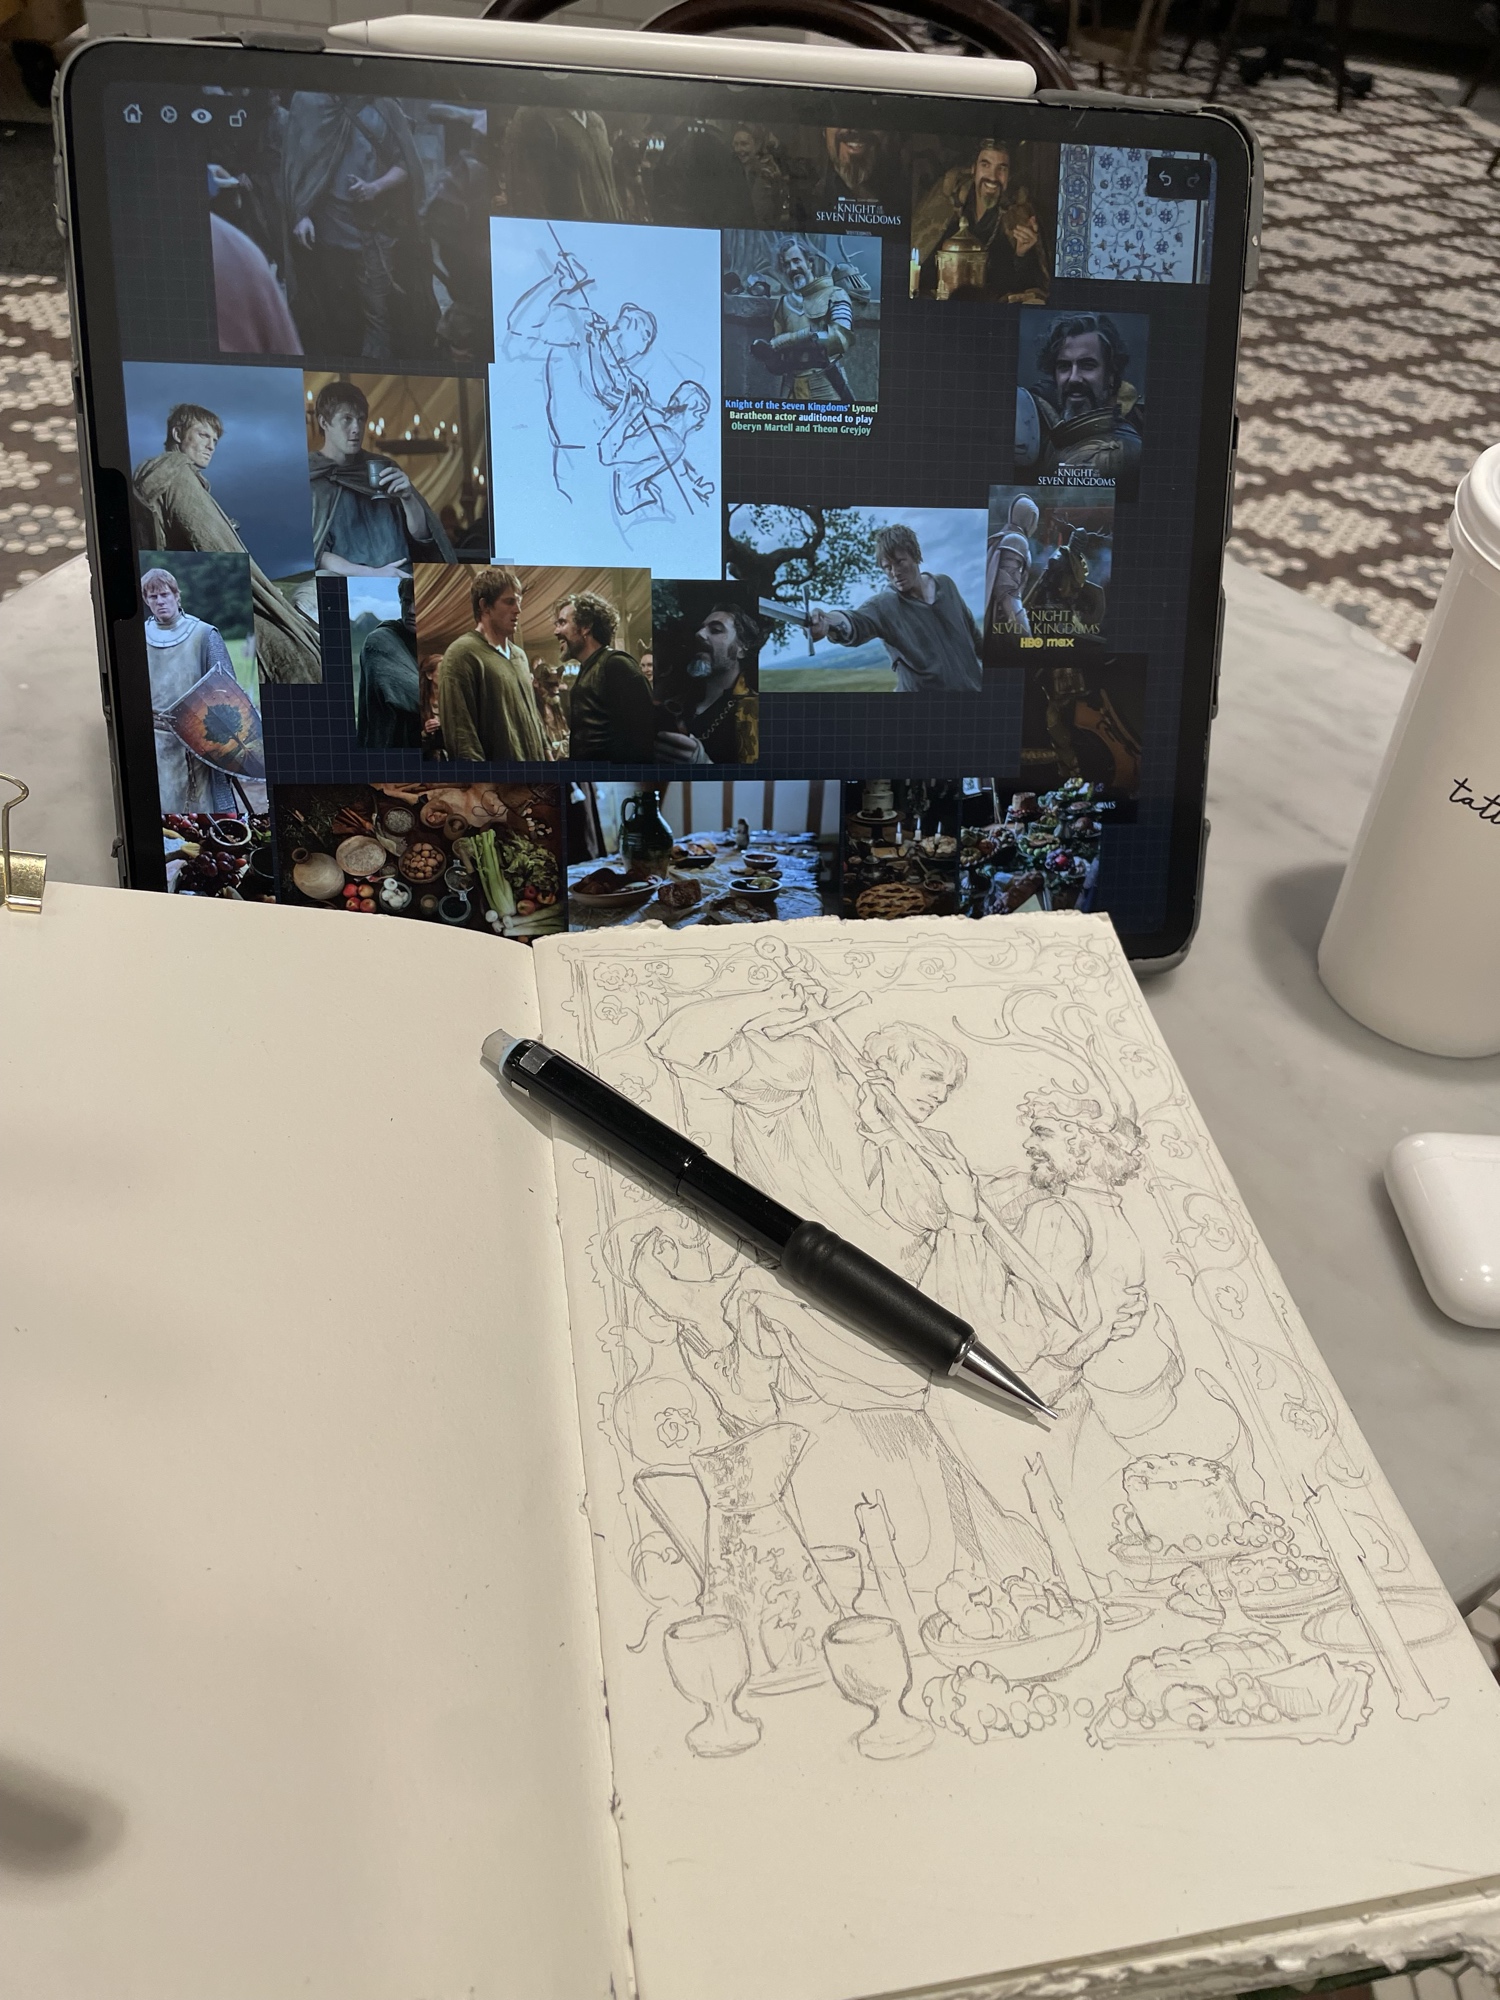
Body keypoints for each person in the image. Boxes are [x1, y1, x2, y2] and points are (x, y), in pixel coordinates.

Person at [132, 401, 321, 686]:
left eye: (215, 440)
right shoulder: (176, 473)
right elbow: (217, 545)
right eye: (203, 435)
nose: (211, 446)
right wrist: (267, 594)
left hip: (189, 593)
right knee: (293, 648)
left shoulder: (158, 474)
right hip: (201, 599)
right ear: (177, 433)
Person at [281, 92, 436, 360]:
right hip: (325, 232)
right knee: (333, 312)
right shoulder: (309, 105)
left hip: (372, 230)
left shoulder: (383, 106)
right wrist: (300, 213)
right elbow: (299, 169)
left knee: (378, 312)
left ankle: (375, 365)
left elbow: (406, 163)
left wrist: (375, 187)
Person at [808, 523, 982, 693]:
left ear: (915, 556)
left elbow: (973, 635)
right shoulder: (885, 605)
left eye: (900, 562)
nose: (895, 572)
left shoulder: (945, 585)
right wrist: (828, 622)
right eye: (887, 567)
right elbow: (856, 621)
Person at [141, 566, 258, 816]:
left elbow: (226, 694)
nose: (160, 601)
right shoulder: (139, 638)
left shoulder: (203, 634)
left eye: (165, 594)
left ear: (176, 595)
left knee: (210, 814)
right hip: (156, 743)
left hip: (198, 740)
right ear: (146, 601)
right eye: (153, 596)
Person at [308, 379, 454, 578]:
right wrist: (372, 573)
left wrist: (408, 498)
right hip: (349, 581)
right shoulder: (310, 475)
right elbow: (316, 552)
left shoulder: (384, 468)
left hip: (400, 576)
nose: (356, 428)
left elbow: (422, 538)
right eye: (347, 419)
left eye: (361, 419)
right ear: (324, 422)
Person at [1018, 312, 1143, 497]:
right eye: (1064, 366)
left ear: (1110, 375)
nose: (1074, 378)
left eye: (1087, 365)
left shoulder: (1125, 451)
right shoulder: (1046, 431)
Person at [436, 566, 550, 763]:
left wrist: (547, 752)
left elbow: (532, 714)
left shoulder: (520, 656)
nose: (518, 609)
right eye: (509, 602)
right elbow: (462, 734)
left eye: (519, 601)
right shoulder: (462, 654)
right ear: (485, 606)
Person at [912, 137, 1049, 302]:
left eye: (1001, 168)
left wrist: (1022, 255)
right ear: (973, 169)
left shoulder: (1019, 217)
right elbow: (921, 270)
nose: (993, 177)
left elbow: (1027, 287)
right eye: (986, 165)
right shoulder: (945, 208)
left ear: (1009, 176)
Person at [750, 237, 860, 404]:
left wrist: (793, 338)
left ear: (809, 262)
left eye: (796, 261)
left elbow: (840, 339)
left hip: (826, 387)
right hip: (791, 389)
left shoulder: (834, 295)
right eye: (787, 264)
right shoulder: (784, 304)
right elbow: (779, 363)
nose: (792, 268)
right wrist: (768, 356)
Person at [653, 603, 760, 765]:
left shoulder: (753, 711)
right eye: (701, 628)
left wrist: (703, 764)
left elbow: (757, 778)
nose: (699, 634)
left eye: (716, 630)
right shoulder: (676, 699)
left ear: (741, 648)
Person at [559, 590, 655, 763]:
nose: (556, 631)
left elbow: (643, 738)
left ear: (586, 627)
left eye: (562, 622)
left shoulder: (616, 665)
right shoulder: (587, 668)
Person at [504, 107, 622, 223]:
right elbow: (528, 202)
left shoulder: (596, 122)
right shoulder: (533, 117)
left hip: (607, 229)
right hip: (569, 231)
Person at [355, 577, 422, 750]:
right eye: (407, 601)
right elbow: (417, 697)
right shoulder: (380, 641)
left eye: (419, 600)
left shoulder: (435, 641)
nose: (411, 610)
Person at [985, 493, 1040, 639]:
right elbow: (1008, 594)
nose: (1036, 526)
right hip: (1002, 627)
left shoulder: (1004, 537)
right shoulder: (1016, 541)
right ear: (1031, 519)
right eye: (1035, 521)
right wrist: (1026, 637)